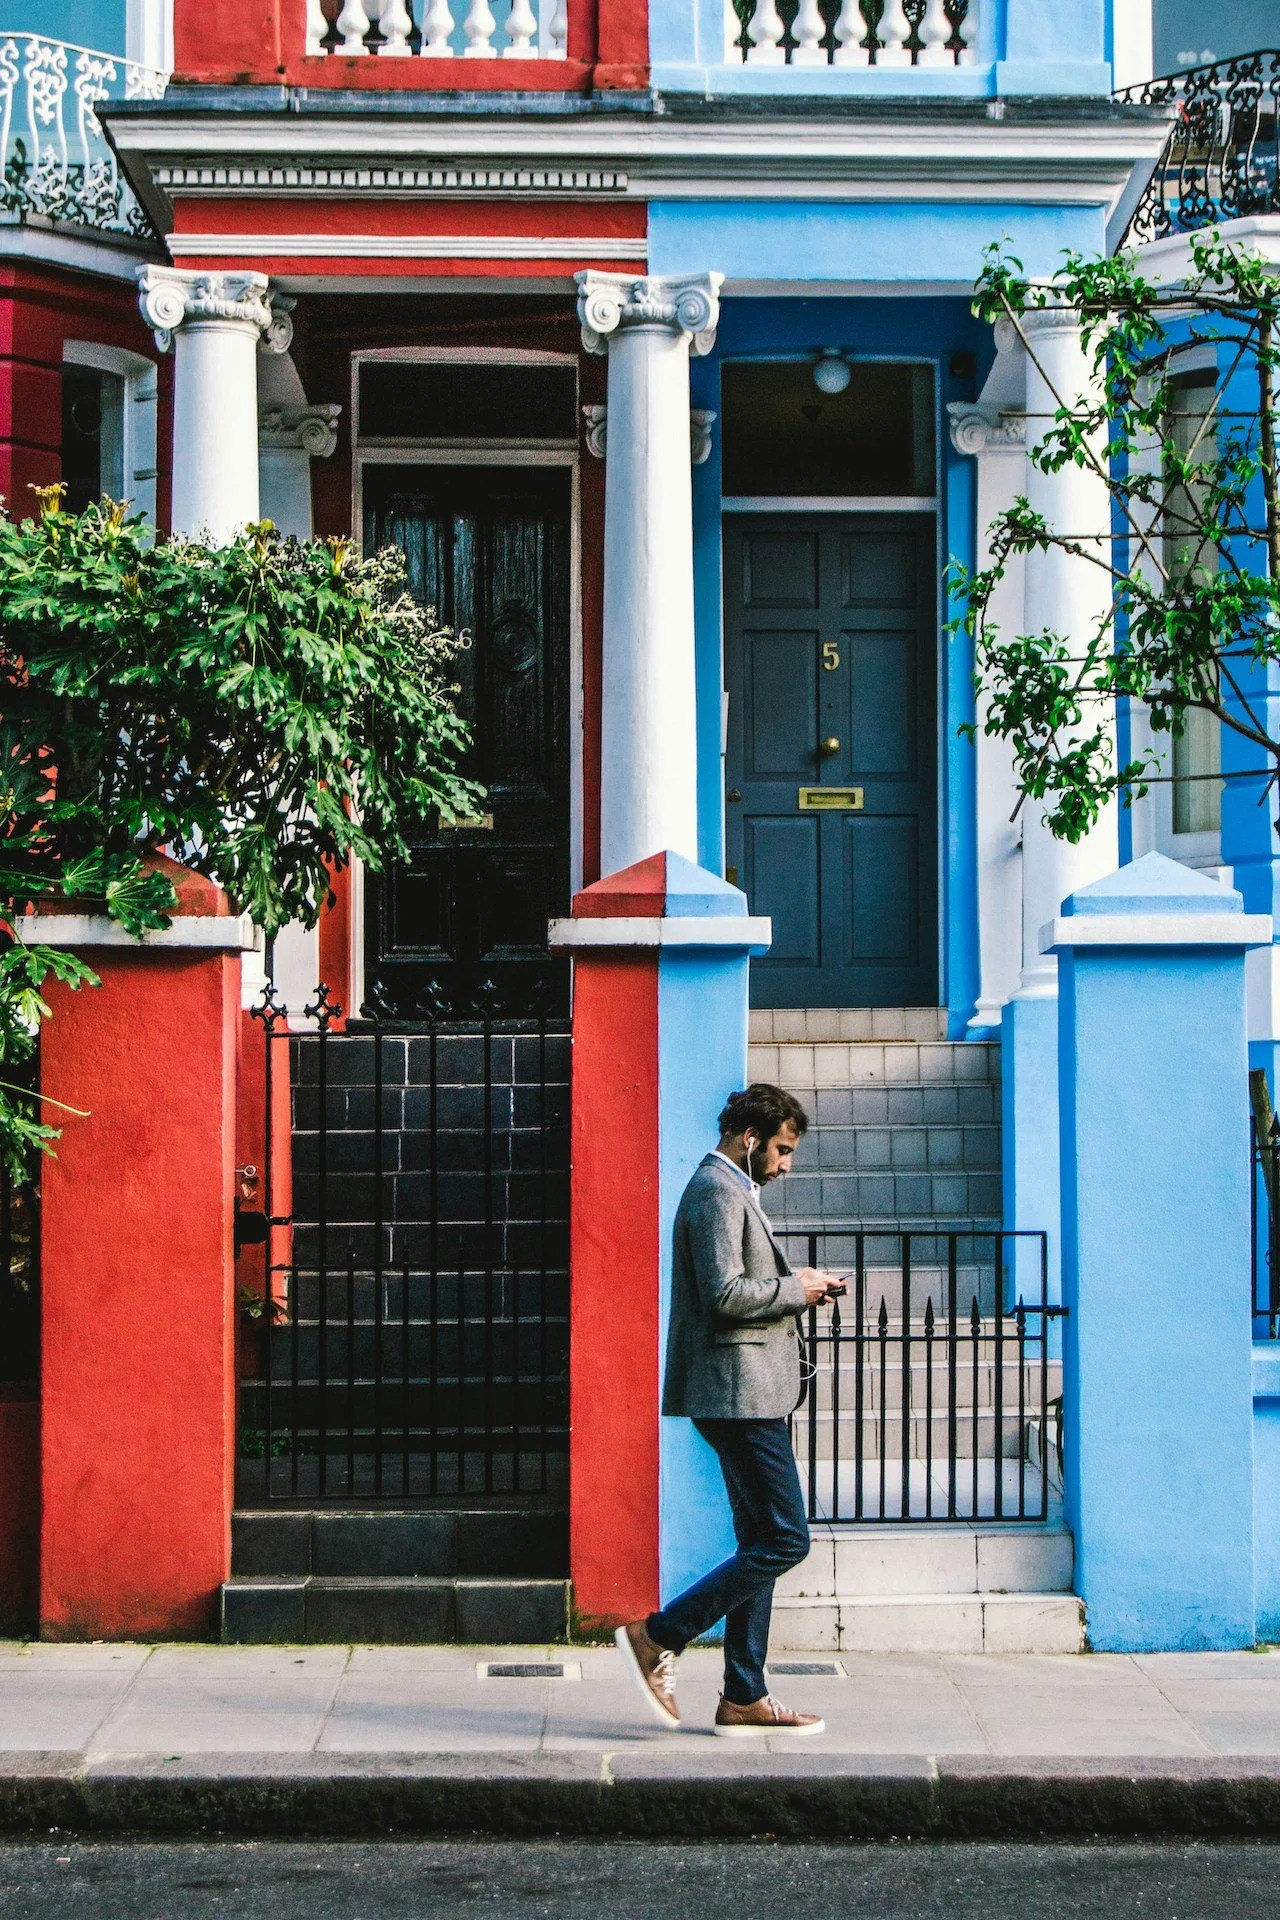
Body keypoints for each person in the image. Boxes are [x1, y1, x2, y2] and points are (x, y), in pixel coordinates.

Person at [615, 1083, 846, 1737]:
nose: (785, 1164)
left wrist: (800, 1290)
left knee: (760, 1540)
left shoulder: (730, 1189)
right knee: (785, 1538)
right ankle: (658, 1636)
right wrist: (794, 1289)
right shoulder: (717, 1190)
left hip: (749, 1391)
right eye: (781, 1150)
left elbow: (744, 1287)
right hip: (736, 1395)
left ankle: (744, 1694)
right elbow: (721, 1294)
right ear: (750, 1138)